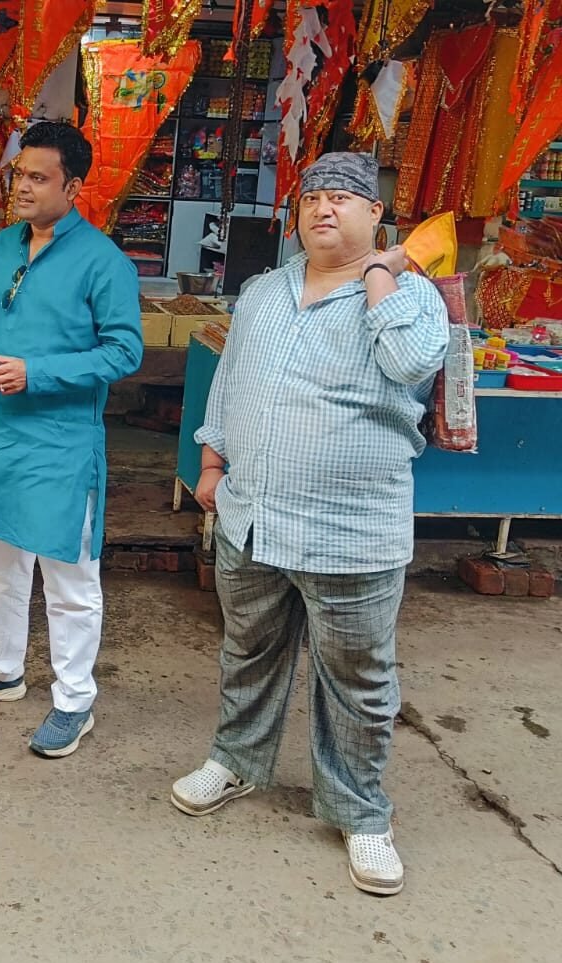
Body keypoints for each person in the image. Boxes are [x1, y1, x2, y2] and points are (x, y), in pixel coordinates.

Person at [170, 152, 448, 896]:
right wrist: (212, 462)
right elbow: (231, 380)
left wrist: (380, 275)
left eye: (342, 199)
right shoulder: (265, 291)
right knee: (248, 652)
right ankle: (234, 761)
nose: (323, 209)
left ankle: (360, 812)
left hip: (350, 531)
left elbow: (413, 361)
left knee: (357, 680)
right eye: (313, 198)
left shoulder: (412, 298)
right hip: (253, 517)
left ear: (374, 217)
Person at [0, 121, 143, 758]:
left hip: (62, 441)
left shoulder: (103, 261)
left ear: (73, 187)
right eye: (18, 174)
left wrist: (38, 373)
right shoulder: (3, 246)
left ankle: (74, 700)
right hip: (2, 431)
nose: (21, 187)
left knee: (70, 578)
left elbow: (124, 351)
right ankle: (0, 670)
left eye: (37, 178)